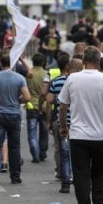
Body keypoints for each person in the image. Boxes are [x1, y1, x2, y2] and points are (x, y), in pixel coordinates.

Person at [58, 46, 103, 204]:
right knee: (101, 171)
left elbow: (63, 106)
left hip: (77, 135)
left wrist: (64, 127)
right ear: (99, 62)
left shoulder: (72, 78)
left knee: (80, 174)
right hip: (99, 135)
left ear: (83, 61)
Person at [0, 54, 31, 186]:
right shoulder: (19, 78)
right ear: (13, 63)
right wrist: (17, 100)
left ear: (0, 64)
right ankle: (15, 176)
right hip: (14, 114)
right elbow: (27, 97)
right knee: (14, 146)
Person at [45, 53, 73, 193]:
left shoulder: (55, 82)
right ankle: (75, 176)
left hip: (62, 120)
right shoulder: (75, 81)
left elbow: (49, 101)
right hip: (76, 121)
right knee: (76, 151)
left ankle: (65, 180)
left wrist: (49, 121)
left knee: (63, 151)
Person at [25, 53, 48, 163]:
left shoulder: (29, 74)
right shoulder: (47, 74)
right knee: (44, 130)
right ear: (43, 62)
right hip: (44, 106)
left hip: (31, 105)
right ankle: (43, 152)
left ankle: (35, 154)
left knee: (32, 132)